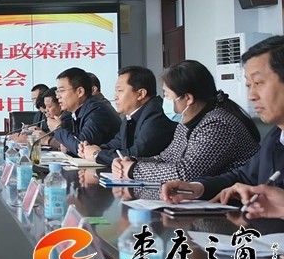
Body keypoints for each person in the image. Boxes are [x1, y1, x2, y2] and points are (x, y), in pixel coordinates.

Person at [162, 36, 284, 204]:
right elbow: (243, 177)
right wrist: (197, 188)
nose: (251, 96)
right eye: (249, 86)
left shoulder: (219, 122)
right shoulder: (276, 135)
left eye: (259, 83)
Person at [113, 59, 260, 184]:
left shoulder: (219, 124)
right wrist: (132, 161)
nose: (164, 100)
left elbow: (186, 173)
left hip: (238, 200)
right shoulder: (187, 121)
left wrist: (133, 170)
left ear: (188, 98)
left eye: (167, 95)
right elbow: (166, 158)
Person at [79, 66, 177, 166]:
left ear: (140, 94)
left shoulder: (157, 114)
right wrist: (93, 149)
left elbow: (137, 154)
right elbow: (118, 142)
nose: (115, 97)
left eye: (120, 91)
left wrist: (97, 155)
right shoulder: (132, 113)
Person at [48, 67, 121, 155]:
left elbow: (81, 148)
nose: (57, 96)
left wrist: (58, 129)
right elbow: (74, 142)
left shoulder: (97, 111)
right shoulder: (78, 110)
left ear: (80, 92)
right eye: (57, 91)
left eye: (62, 91)